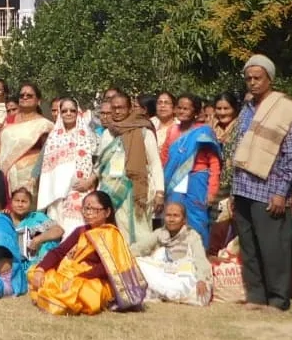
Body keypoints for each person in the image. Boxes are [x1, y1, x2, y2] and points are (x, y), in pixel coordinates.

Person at [230, 55, 292, 312]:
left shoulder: (286, 109)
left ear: (270, 79)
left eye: (257, 78)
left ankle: (278, 299)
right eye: (248, 78)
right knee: (248, 246)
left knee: (273, 247)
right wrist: (232, 191)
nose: (252, 83)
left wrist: (281, 192)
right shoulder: (247, 107)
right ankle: (256, 296)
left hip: (269, 189)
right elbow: (239, 149)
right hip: (243, 187)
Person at [28, 190, 149, 316]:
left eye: (93, 209)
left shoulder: (112, 234)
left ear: (107, 212)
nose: (88, 213)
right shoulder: (81, 231)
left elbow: (107, 267)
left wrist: (80, 278)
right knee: (36, 272)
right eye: (86, 209)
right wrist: (41, 269)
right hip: (73, 273)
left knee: (85, 292)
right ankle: (57, 296)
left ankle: (61, 299)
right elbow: (59, 251)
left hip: (95, 279)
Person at [96, 91, 164, 246]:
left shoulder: (143, 131)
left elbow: (155, 163)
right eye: (114, 108)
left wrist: (160, 192)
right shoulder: (108, 132)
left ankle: (141, 265)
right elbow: (102, 164)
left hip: (136, 191)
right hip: (110, 190)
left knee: (140, 233)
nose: (117, 111)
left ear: (130, 109)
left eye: (121, 108)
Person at [161, 94, 223, 248]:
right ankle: (175, 255)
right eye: (179, 108)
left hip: (197, 181)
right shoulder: (172, 130)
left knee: (197, 219)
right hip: (174, 181)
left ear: (195, 112)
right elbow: (165, 156)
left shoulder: (204, 132)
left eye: (186, 108)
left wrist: (212, 190)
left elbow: (214, 162)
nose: (181, 111)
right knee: (174, 217)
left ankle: (199, 255)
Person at [37, 96, 100, 235]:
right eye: (64, 111)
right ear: (60, 113)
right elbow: (48, 170)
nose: (69, 113)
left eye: (72, 110)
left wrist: (89, 181)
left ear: (78, 112)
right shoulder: (53, 137)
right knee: (58, 231)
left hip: (81, 190)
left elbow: (99, 162)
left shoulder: (89, 135)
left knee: (77, 229)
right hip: (57, 195)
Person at [132, 202, 212, 306]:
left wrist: (201, 280)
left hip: (184, 276)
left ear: (184, 220)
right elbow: (139, 248)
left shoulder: (192, 236)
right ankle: (166, 293)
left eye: (176, 216)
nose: (171, 219)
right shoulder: (160, 233)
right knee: (138, 261)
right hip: (165, 274)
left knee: (199, 295)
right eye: (168, 215)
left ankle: (164, 293)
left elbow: (200, 260)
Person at [0, 83, 51, 197]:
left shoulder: (44, 125)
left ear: (38, 100)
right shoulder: (9, 120)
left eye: (29, 95)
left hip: (29, 178)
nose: (24, 97)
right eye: (21, 95)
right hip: (5, 175)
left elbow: (47, 155)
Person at [207, 91, 243, 253]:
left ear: (235, 109)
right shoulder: (210, 128)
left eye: (226, 109)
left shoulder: (240, 129)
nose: (222, 113)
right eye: (218, 109)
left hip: (234, 183)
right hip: (212, 183)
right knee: (214, 225)